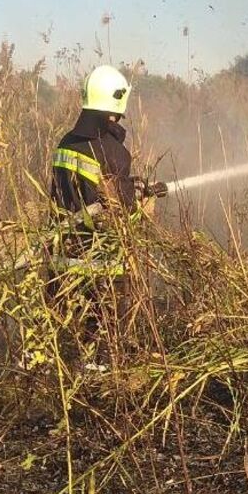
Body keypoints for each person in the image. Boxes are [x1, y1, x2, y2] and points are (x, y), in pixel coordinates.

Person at [46, 64, 166, 325]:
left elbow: (93, 188)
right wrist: (143, 198)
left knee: (60, 330)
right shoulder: (113, 151)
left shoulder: (66, 142)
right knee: (99, 334)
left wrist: (133, 186)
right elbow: (118, 205)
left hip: (61, 254)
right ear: (117, 100)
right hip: (99, 265)